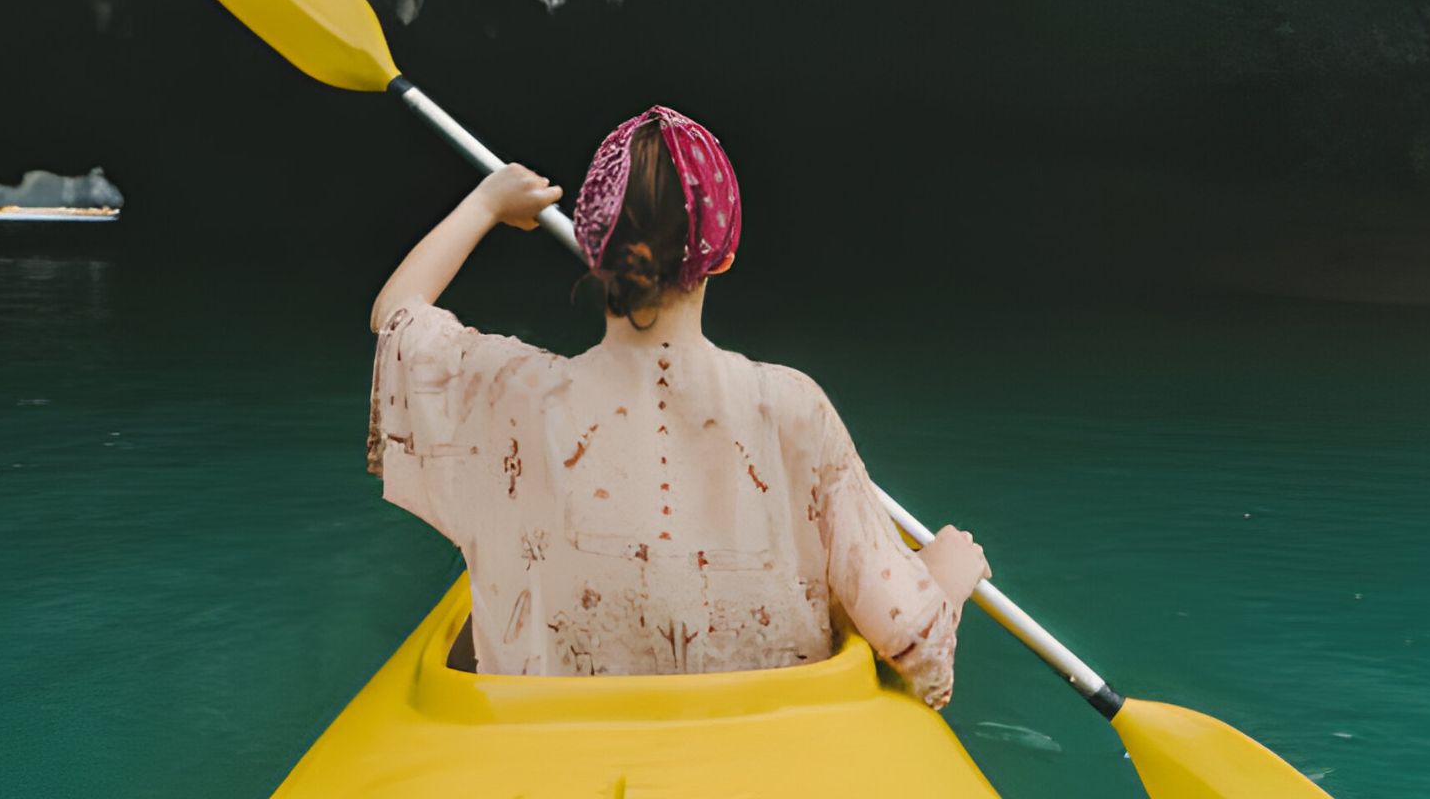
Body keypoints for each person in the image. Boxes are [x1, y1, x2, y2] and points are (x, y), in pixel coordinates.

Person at [366, 107, 989, 707]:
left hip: (552, 740)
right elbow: (909, 634)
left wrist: (486, 203)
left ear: (591, 246)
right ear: (724, 255)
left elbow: (396, 315)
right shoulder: (793, 407)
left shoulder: (516, 395)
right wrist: (944, 575)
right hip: (761, 740)